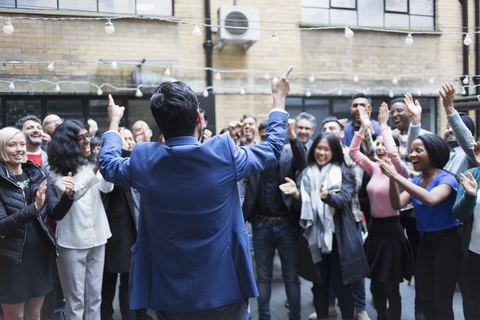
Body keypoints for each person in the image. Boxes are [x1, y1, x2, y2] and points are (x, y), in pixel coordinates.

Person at [99, 66, 294, 319]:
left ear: (159, 124)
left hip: (166, 290)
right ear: (199, 119)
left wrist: (114, 122)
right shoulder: (223, 152)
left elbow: (108, 165)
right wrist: (279, 99)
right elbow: (273, 149)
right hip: (225, 285)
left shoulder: (143, 159)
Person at [379, 133, 463, 320]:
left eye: (418, 150)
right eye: (411, 151)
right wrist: (393, 179)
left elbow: (431, 199)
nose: (412, 155)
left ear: (434, 153)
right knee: (425, 299)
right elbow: (396, 204)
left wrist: (396, 176)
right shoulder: (416, 181)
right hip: (424, 243)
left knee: (442, 302)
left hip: (447, 243)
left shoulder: (446, 179)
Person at [287, 132, 369, 320]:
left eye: (327, 149)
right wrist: (296, 195)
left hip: (338, 240)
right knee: (320, 287)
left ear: (334, 152)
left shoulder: (343, 171)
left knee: (342, 289)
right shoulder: (305, 173)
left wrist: (327, 197)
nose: (321, 152)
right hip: (314, 240)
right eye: (319, 148)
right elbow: (301, 211)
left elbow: (343, 199)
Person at [0, 127, 75, 320]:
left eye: (22, 144)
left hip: (39, 256)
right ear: (2, 148)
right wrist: (34, 208)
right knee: (14, 316)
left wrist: (68, 197)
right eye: (12, 145)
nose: (19, 149)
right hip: (11, 259)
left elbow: (55, 213)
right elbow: (2, 226)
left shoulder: (37, 173)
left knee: (34, 314)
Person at [350, 104, 414, 320]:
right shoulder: (374, 167)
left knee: (391, 289)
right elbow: (353, 153)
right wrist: (363, 128)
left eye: (383, 144)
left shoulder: (400, 171)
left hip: (392, 233)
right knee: (376, 288)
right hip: (375, 232)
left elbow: (395, 156)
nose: (379, 147)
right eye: (376, 143)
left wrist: (384, 127)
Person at [47, 120, 114, 320]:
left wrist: (104, 166)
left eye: (87, 136)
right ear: (68, 143)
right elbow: (73, 194)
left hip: (99, 235)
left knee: (95, 297)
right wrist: (94, 170)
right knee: (75, 300)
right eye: (81, 137)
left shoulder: (90, 164)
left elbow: (107, 189)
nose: (87, 141)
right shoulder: (55, 171)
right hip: (71, 240)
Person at [243, 116, 307, 320]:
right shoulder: (254, 155)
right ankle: (264, 317)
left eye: (269, 137)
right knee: (262, 278)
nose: (266, 141)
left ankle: (295, 316)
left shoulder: (288, 155)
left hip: (287, 226)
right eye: (263, 138)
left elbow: (303, 162)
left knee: (291, 277)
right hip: (261, 225)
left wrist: (291, 135)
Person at [452, 142, 480, 318]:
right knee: (475, 303)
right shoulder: (473, 175)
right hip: (474, 254)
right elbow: (459, 213)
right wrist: (470, 196)